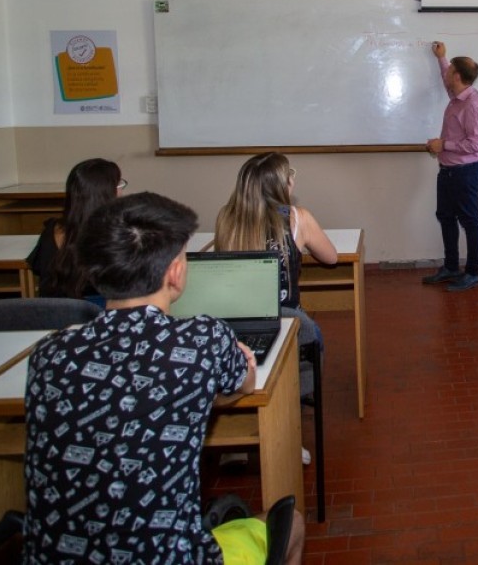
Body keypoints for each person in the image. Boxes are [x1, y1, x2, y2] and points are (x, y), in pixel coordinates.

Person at [23, 191, 305, 565]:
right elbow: (246, 384)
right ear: (175, 271)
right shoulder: (203, 340)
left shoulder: (47, 355)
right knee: (293, 525)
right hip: (170, 557)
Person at [215, 152, 337, 401]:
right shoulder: (296, 217)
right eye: (289, 175)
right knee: (314, 334)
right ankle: (301, 395)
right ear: (282, 185)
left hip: (236, 320)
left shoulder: (226, 218)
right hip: (287, 318)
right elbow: (331, 257)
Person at [421, 40, 478, 292]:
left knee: (470, 221)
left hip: (466, 172)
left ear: (457, 76)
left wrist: (443, 145)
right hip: (449, 171)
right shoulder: (458, 95)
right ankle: (451, 267)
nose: (446, 73)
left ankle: (472, 273)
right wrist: (442, 59)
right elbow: (446, 79)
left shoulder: (472, 105)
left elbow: (476, 145)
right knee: (446, 217)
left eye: (450, 71)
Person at [27, 157, 125, 302]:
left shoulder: (51, 231)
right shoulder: (118, 235)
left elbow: (41, 274)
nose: (122, 192)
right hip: (101, 318)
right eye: (119, 185)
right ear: (107, 194)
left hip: (54, 317)